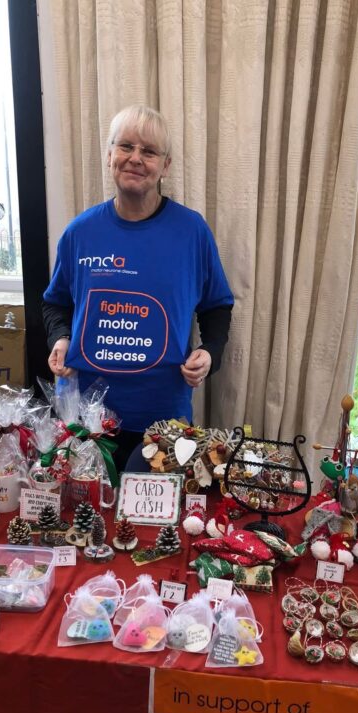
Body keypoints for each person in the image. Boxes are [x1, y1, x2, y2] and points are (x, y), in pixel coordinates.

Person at [42, 105, 233, 470]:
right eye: (126, 146)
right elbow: (56, 303)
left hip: (163, 420)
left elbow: (216, 306)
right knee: (90, 521)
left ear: (166, 164)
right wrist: (60, 338)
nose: (135, 159)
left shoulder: (192, 232)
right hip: (88, 421)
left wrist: (210, 352)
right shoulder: (80, 234)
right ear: (109, 155)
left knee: (150, 526)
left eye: (148, 151)